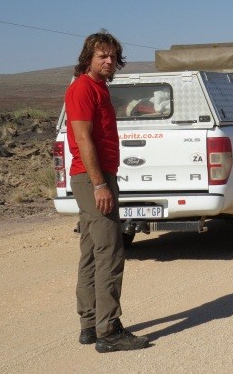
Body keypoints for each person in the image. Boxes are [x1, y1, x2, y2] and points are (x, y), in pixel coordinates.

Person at [65, 30, 149, 353]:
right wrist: (100, 184)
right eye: (102, 55)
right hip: (92, 178)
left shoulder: (97, 88)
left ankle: (90, 323)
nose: (109, 61)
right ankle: (109, 330)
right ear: (89, 57)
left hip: (92, 176)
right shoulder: (83, 89)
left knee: (91, 250)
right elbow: (84, 138)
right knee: (111, 250)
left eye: (113, 56)